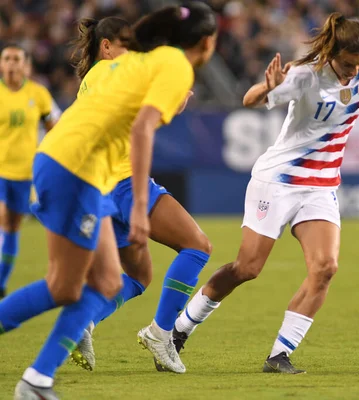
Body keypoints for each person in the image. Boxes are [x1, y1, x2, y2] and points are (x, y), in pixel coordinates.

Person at [170, 12, 359, 374]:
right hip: (277, 181)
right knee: (247, 268)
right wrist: (268, 86)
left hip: (321, 186)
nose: (354, 72)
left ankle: (279, 356)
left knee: (325, 267)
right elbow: (248, 100)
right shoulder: (305, 75)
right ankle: (180, 329)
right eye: (347, 64)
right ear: (331, 52)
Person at [0, 3, 217, 398]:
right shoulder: (170, 64)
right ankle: (45, 376)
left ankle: (37, 381)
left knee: (105, 282)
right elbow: (141, 129)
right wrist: (137, 205)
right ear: (207, 41)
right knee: (67, 285)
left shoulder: (133, 64)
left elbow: (129, 112)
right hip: (82, 169)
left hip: (80, 167)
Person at [67, 15, 212, 375]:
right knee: (197, 247)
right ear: (106, 46)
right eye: (125, 45)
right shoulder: (107, 73)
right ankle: (161, 334)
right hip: (124, 180)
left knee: (138, 274)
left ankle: (85, 320)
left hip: (98, 183)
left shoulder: (90, 81)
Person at [0, 44, 58, 299]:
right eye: (7, 58)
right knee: (2, 217)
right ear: (1, 64)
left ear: (26, 65)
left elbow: (54, 125)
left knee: (13, 226)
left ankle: (2, 281)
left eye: (17, 59)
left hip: (25, 174)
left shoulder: (39, 94)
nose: (12, 63)